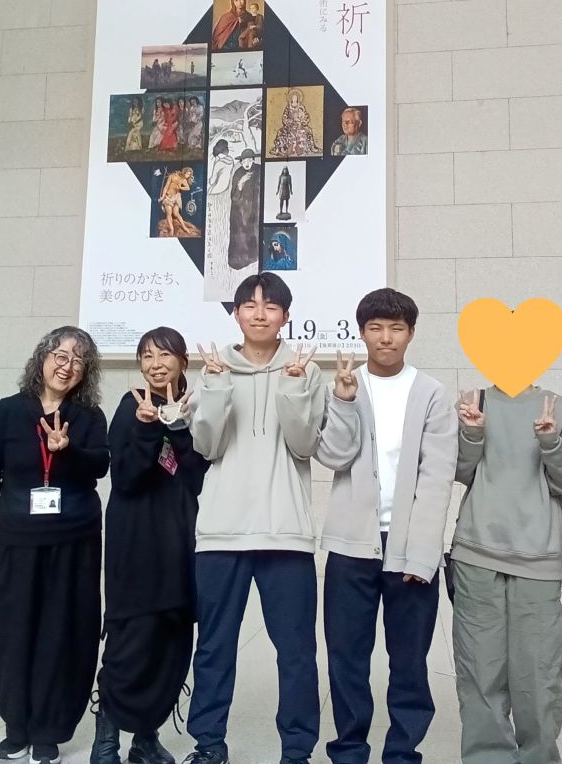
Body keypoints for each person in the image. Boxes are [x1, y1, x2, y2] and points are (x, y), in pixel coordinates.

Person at [183, 272, 325, 764]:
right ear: (237, 313)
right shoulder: (214, 367)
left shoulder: (306, 370)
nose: (259, 313)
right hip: (221, 533)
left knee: (297, 652)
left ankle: (297, 750)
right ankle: (208, 745)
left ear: (286, 315)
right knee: (214, 646)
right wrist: (216, 386)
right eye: (249, 304)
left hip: (286, 532)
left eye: (270, 305)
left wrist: (294, 388)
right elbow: (207, 446)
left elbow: (304, 445)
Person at [315, 289, 456, 764]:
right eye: (375, 328)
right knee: (346, 658)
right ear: (362, 333)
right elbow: (333, 456)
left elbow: (437, 477)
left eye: (396, 328)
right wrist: (343, 402)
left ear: (411, 333)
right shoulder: (346, 384)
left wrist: (423, 551)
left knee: (409, 660)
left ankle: (402, 751)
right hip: (351, 546)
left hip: (409, 545)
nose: (386, 337)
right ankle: (349, 750)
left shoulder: (430, 392)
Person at [0, 327, 110, 764]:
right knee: (10, 632)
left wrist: (67, 450)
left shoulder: (88, 416)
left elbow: (100, 466)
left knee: (63, 633)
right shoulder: (9, 410)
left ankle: (50, 728)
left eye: (78, 360)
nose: (67, 366)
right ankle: (16, 725)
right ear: (42, 358)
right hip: (17, 538)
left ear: (85, 372)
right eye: (60, 355)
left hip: (74, 541)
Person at [450, 373, 562, 764]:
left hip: (537, 561)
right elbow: (459, 472)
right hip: (476, 555)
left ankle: (538, 757)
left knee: (539, 674)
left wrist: (551, 442)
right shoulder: (474, 400)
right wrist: (472, 433)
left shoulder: (560, 408)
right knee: (479, 673)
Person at [91, 327, 210, 764]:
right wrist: (147, 427)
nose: (155, 364)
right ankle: (106, 739)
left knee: (172, 640)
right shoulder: (131, 406)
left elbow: (195, 475)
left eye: (164, 355)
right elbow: (125, 477)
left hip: (179, 540)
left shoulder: (196, 408)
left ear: (182, 361)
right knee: (131, 639)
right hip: (136, 542)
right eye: (147, 356)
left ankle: (146, 738)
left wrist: (176, 424)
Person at [227, 149, 260, 270]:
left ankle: (253, 257)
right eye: (244, 161)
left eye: (249, 160)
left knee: (254, 233)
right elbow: (234, 197)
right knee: (240, 236)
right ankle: (239, 261)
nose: (247, 163)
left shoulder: (259, 170)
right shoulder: (238, 173)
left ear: (253, 160)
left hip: (255, 209)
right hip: (239, 212)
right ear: (241, 162)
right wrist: (240, 184)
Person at [270, 89, 321, 158]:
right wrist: (290, 122)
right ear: (291, 98)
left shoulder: (301, 106)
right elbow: (284, 118)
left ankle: (312, 147)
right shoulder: (288, 107)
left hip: (300, 124)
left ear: (298, 98)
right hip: (290, 125)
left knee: (309, 130)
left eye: (295, 97)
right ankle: (279, 148)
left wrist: (302, 121)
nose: (294, 98)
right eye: (293, 97)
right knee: (280, 131)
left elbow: (306, 116)